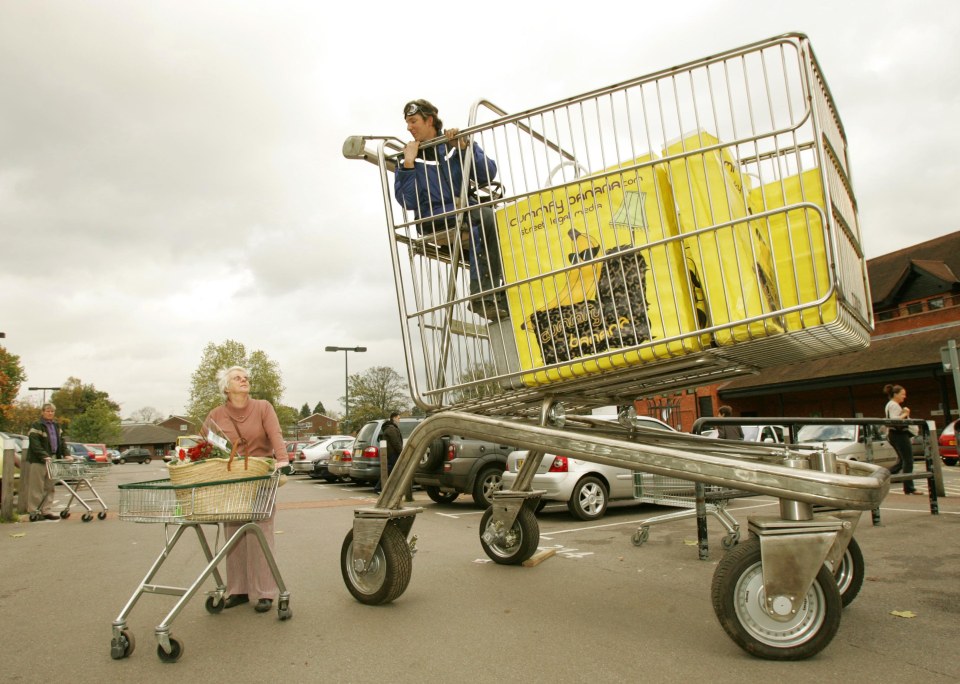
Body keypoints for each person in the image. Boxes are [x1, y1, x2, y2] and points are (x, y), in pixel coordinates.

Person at [394, 98, 505, 316]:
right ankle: (483, 296)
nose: (409, 127)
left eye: (414, 121)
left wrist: (464, 148)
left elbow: (487, 174)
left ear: (430, 121)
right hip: (432, 217)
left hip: (463, 210)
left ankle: (503, 296)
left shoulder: (452, 145)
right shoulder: (408, 157)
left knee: (504, 220)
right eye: (407, 123)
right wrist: (408, 165)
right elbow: (408, 202)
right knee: (484, 217)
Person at [204, 366, 290, 612]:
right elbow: (206, 442)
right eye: (237, 378)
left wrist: (282, 461)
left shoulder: (263, 407)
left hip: (260, 476)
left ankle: (265, 592)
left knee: (261, 530)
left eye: (245, 377)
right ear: (226, 388)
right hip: (232, 481)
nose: (244, 380)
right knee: (233, 531)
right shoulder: (216, 415)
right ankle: (238, 590)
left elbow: (275, 434)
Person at [25, 402, 67, 521]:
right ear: (43, 412)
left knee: (50, 486)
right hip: (39, 461)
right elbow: (35, 443)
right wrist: (44, 455)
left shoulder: (56, 426)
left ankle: (46, 510)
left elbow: (62, 442)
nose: (50, 413)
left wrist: (67, 454)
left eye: (52, 411)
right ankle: (34, 511)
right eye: (47, 411)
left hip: (53, 460)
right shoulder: (37, 425)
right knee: (36, 487)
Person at [884, 383, 918, 494]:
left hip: (894, 434)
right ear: (895, 394)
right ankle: (909, 488)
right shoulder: (893, 405)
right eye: (903, 394)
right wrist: (905, 413)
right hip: (899, 434)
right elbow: (895, 420)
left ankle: (881, 477)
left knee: (902, 461)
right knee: (908, 461)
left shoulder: (891, 404)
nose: (904, 396)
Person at [373, 412, 403, 495]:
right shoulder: (391, 429)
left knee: (391, 470)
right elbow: (396, 442)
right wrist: (401, 452)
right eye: (398, 418)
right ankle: (378, 488)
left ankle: (387, 488)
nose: (399, 420)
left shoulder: (391, 428)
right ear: (394, 418)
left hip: (391, 453)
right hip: (392, 453)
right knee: (390, 471)